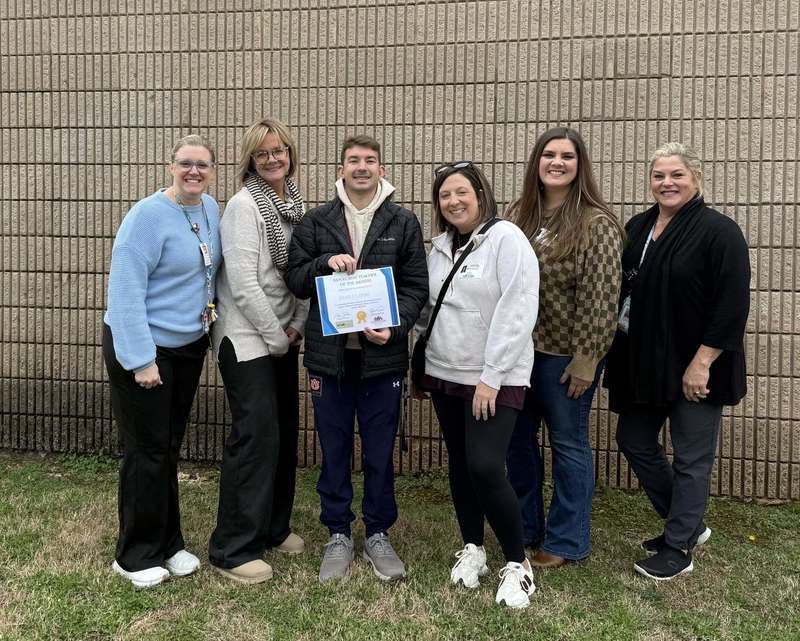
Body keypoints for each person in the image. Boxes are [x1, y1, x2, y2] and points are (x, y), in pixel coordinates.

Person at [604, 142, 750, 580]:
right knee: (633, 438)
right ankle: (685, 523)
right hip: (644, 363)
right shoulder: (639, 225)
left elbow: (731, 305)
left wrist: (702, 362)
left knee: (691, 458)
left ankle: (678, 547)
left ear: (696, 179)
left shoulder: (719, 232)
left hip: (696, 368)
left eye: (676, 175)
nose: (666, 183)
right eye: (659, 176)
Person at [285, 135, 428, 583]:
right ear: (341, 169)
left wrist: (396, 327)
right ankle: (338, 533)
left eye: (370, 160)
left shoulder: (403, 222)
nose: (362, 167)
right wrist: (325, 262)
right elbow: (295, 278)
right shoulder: (317, 220)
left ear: (381, 169)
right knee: (334, 448)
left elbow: (416, 288)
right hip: (330, 360)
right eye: (353, 161)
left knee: (380, 451)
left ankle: (379, 533)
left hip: (381, 360)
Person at [414, 161, 540, 609]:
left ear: (481, 194)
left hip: (494, 378)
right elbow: (430, 309)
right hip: (446, 372)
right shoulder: (439, 247)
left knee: (487, 466)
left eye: (461, 192)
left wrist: (492, 376)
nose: (454, 201)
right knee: (462, 464)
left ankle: (517, 563)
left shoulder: (507, 239)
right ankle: (473, 548)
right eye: (445, 195)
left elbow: (519, 306)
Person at [103, 134, 221, 588]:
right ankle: (134, 555)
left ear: (212, 170)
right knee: (146, 450)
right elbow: (125, 291)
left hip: (187, 346)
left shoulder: (210, 209)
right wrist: (140, 359)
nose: (194, 172)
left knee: (168, 448)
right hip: (145, 349)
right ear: (170, 166)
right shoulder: (147, 216)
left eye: (203, 165)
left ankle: (168, 544)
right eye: (186, 164)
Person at [505, 127, 624, 568]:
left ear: (580, 166)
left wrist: (587, 360)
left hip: (564, 358)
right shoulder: (521, 216)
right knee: (517, 442)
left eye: (567, 156)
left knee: (568, 444)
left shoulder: (596, 223)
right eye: (549, 155)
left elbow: (601, 296)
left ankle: (566, 541)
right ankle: (524, 528)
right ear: (537, 162)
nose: (557, 162)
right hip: (518, 354)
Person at [207, 118, 309, 584]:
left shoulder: (294, 208)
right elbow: (245, 285)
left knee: (284, 433)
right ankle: (233, 547)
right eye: (262, 153)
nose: (272, 159)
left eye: (279, 151)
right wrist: (276, 336)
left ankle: (272, 526)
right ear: (250, 160)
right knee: (256, 437)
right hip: (247, 338)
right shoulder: (244, 206)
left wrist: (296, 326)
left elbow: (300, 274)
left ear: (290, 154)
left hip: (280, 336)